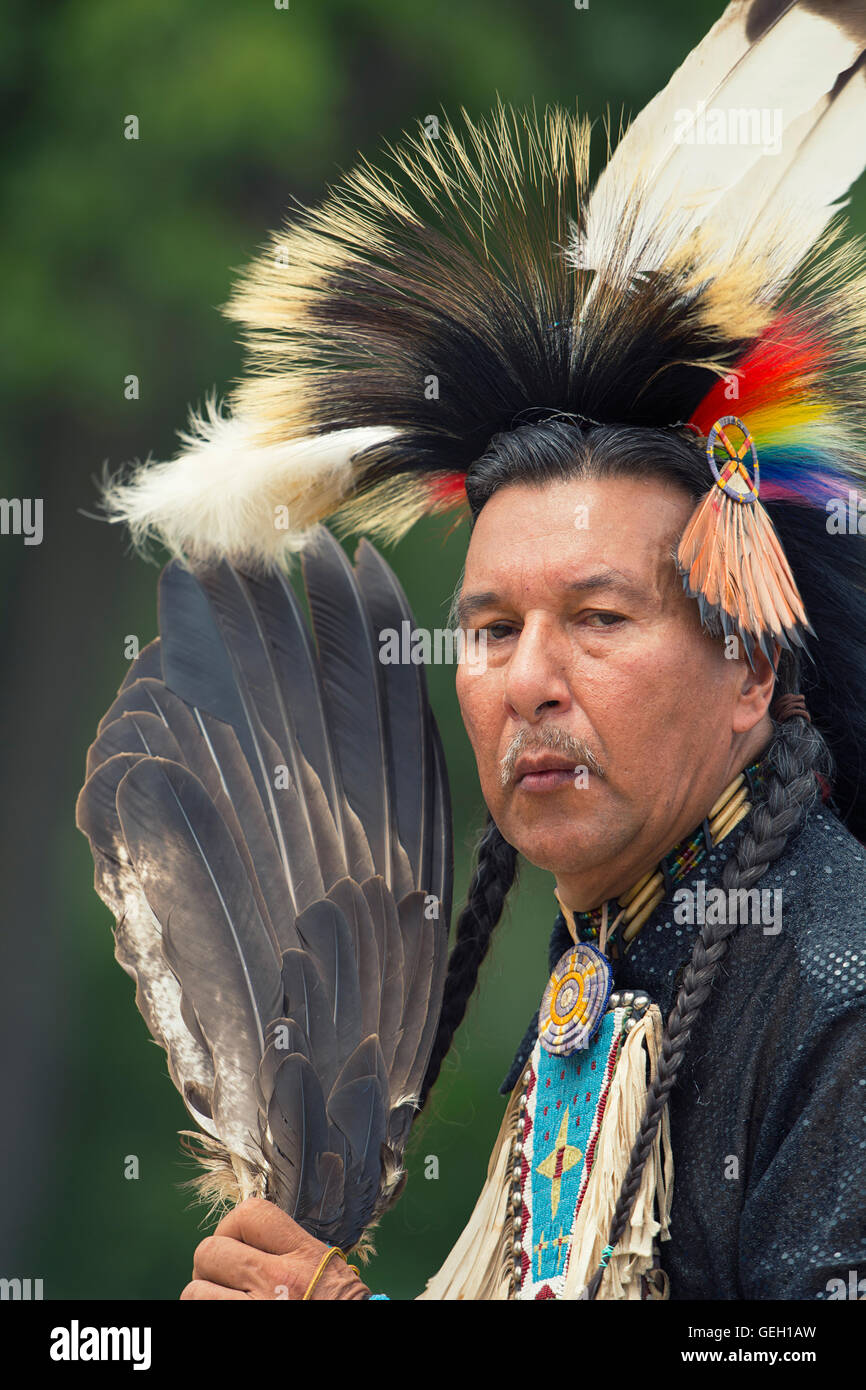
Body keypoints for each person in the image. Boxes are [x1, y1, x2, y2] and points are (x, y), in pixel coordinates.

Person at [81, 0, 866, 1299]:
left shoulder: (834, 984)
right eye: (493, 626)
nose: (529, 678)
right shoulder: (612, 958)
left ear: (751, 671)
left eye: (599, 619)